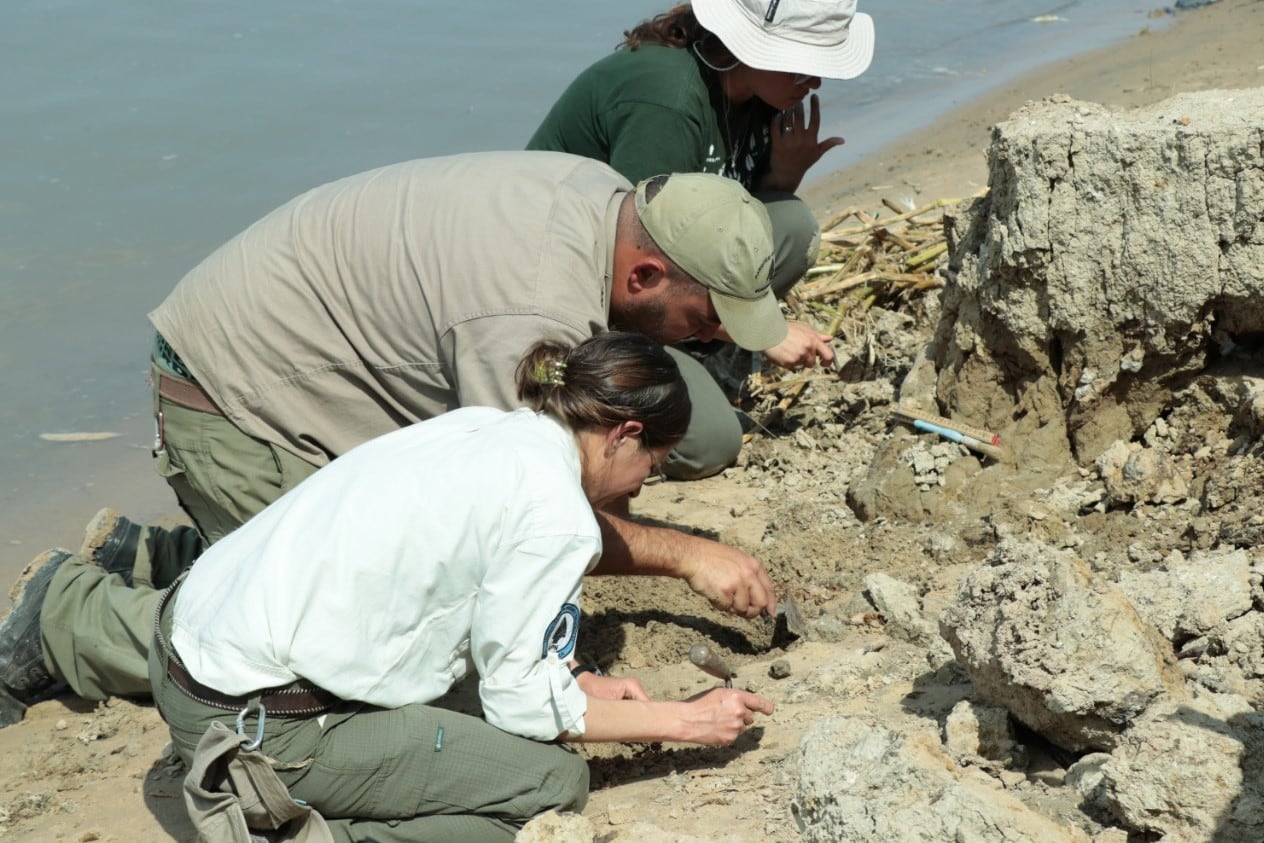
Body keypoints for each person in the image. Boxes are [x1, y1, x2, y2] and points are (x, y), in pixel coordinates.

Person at [0, 153, 786, 726]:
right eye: (707, 318)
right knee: (317, 646)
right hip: (236, 398)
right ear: (644, 275)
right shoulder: (526, 308)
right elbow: (527, 507)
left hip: (289, 365)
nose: (713, 339)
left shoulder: (609, 203)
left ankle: (146, 554)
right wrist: (686, 554)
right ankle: (65, 618)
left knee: (355, 559)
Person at [143, 332, 772, 841]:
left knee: (478, 713)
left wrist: (573, 676)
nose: (638, 488)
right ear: (624, 435)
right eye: (650, 467)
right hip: (251, 731)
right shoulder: (556, 515)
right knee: (550, 783)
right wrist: (682, 721)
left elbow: (468, 593)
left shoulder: (483, 427)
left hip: (178, 652)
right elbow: (520, 707)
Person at [527, 0, 874, 367]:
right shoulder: (668, 102)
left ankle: (687, 343)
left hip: (650, 275)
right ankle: (654, 353)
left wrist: (783, 175)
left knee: (792, 226)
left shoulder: (759, 94)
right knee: (700, 409)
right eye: (803, 69)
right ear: (749, 46)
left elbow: (732, 225)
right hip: (568, 284)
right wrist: (766, 335)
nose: (815, 83)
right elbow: (639, 258)